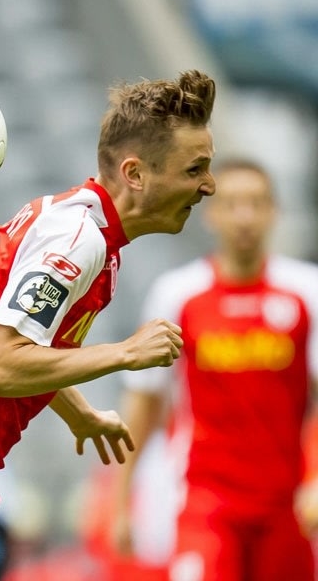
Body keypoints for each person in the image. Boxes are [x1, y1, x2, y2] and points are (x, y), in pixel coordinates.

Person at [0, 69, 218, 580]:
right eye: (195, 168)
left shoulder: (82, 227)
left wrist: (79, 413)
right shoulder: (78, 240)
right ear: (135, 173)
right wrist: (125, 352)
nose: (208, 185)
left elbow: (11, 339)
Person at [112, 158, 318, 581]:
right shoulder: (177, 295)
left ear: (274, 211)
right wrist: (120, 503)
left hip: (287, 506)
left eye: (257, 203)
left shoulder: (305, 292)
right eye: (233, 204)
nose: (245, 216)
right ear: (211, 212)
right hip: (203, 501)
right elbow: (143, 404)